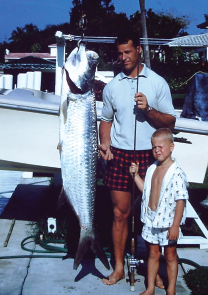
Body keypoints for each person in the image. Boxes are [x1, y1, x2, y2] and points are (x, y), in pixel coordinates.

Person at [99, 29, 176, 286]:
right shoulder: (112, 86)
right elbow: (106, 120)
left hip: (151, 157)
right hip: (120, 156)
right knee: (120, 214)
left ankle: (151, 273)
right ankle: (119, 268)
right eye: (119, 53)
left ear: (139, 49)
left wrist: (149, 110)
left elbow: (170, 122)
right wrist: (105, 142)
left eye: (128, 52)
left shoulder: (157, 82)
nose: (123, 57)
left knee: (152, 215)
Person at [129, 128, 189, 295]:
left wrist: (175, 226)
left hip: (168, 223)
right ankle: (150, 288)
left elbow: (181, 201)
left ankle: (171, 290)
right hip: (151, 221)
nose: (157, 150)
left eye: (161, 147)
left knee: (170, 256)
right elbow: (145, 191)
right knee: (153, 254)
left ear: (172, 147)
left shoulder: (176, 173)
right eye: (154, 147)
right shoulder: (151, 169)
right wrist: (135, 176)